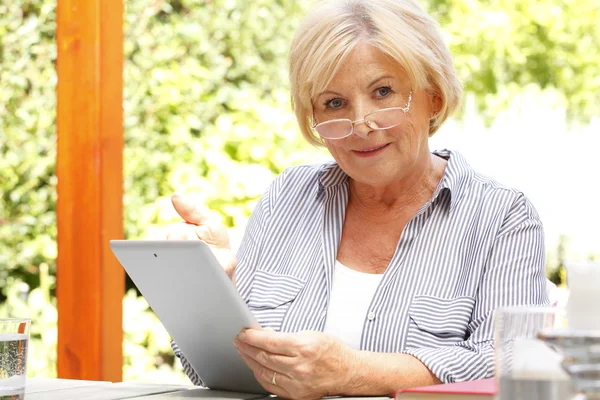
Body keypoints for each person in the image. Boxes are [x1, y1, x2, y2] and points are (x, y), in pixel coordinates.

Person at [167, 0, 549, 398]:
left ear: (433, 97)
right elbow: (216, 376)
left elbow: (513, 362)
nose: (360, 124)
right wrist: (212, 289)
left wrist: (354, 372)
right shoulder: (286, 197)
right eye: (335, 103)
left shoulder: (503, 215)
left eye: (383, 92)